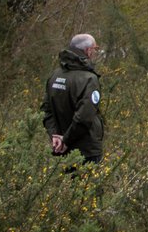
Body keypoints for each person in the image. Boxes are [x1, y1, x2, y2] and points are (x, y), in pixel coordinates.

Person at [42, 33, 105, 164]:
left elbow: (46, 111)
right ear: (88, 51)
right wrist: (66, 140)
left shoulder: (54, 75)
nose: (95, 53)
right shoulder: (89, 79)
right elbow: (84, 117)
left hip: (59, 149)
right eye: (95, 49)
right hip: (86, 151)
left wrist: (54, 135)